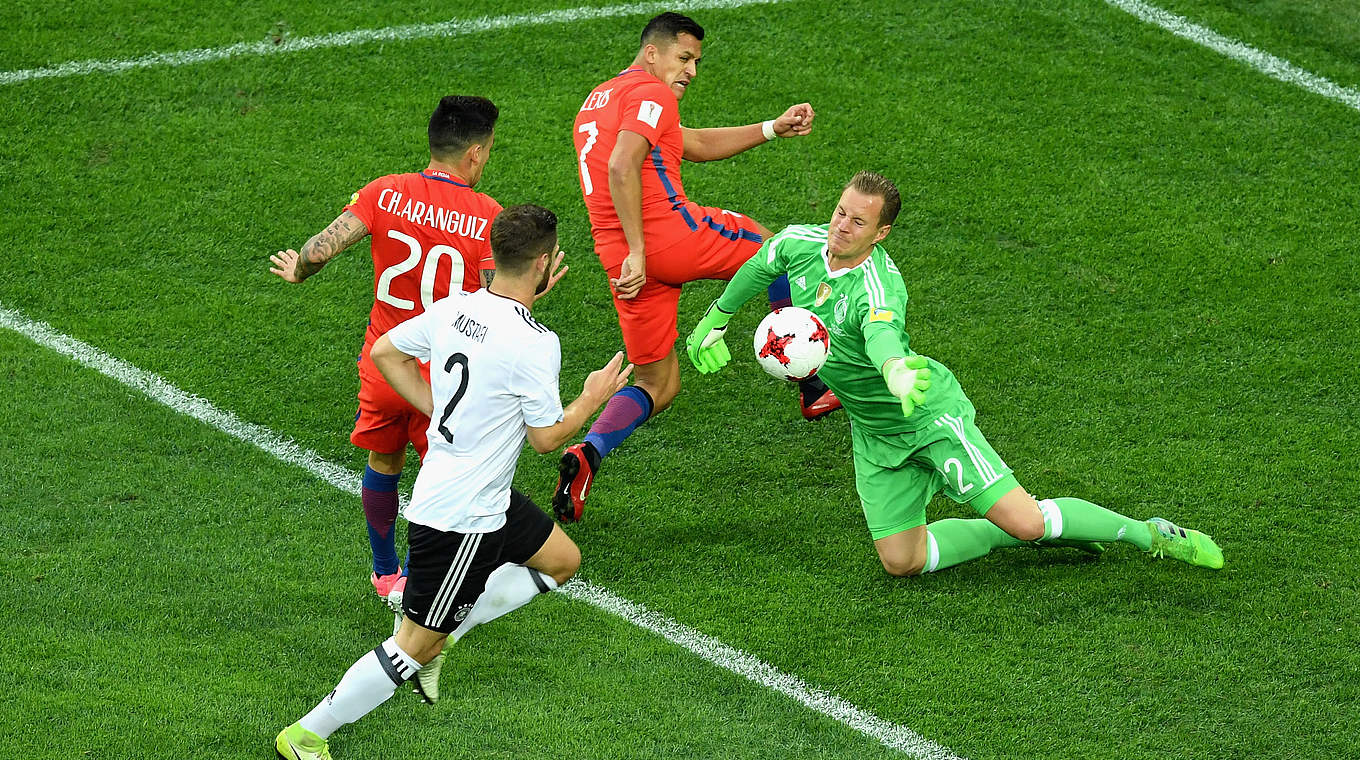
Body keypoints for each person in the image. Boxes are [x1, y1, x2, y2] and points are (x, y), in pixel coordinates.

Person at [685, 171, 1224, 576]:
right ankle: (1007, 536)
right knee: (902, 561)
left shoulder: (879, 286)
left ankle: (1147, 532)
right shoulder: (800, 244)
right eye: (840, 212)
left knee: (1030, 522)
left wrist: (894, 369)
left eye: (858, 220)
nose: (841, 226)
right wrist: (717, 319)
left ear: (882, 232)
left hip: (926, 414)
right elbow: (761, 265)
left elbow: (881, 334)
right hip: (875, 432)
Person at [275, 205, 632, 760]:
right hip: (462, 520)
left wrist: (431, 402)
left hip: (479, 495)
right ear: (544, 263)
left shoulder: (456, 308)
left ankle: (449, 633)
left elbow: (385, 351)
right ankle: (306, 734)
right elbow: (545, 439)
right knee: (413, 645)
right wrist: (590, 398)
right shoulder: (536, 342)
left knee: (562, 560)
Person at [556, 11, 837, 523]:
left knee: (658, 383)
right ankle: (813, 385)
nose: (691, 71)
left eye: (697, 62)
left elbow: (691, 144)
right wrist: (643, 247)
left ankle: (588, 453)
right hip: (663, 237)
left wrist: (772, 128)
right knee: (779, 251)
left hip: (619, 260)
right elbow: (622, 165)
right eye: (684, 58)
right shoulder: (651, 93)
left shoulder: (599, 100)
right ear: (652, 52)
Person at [270, 96, 505, 608]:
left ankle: (384, 573)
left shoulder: (386, 191)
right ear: (474, 153)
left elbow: (318, 249)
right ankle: (439, 582)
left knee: (384, 459)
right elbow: (496, 300)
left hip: (384, 361)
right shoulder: (487, 214)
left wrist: (299, 270)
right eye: (486, 151)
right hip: (443, 376)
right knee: (449, 479)